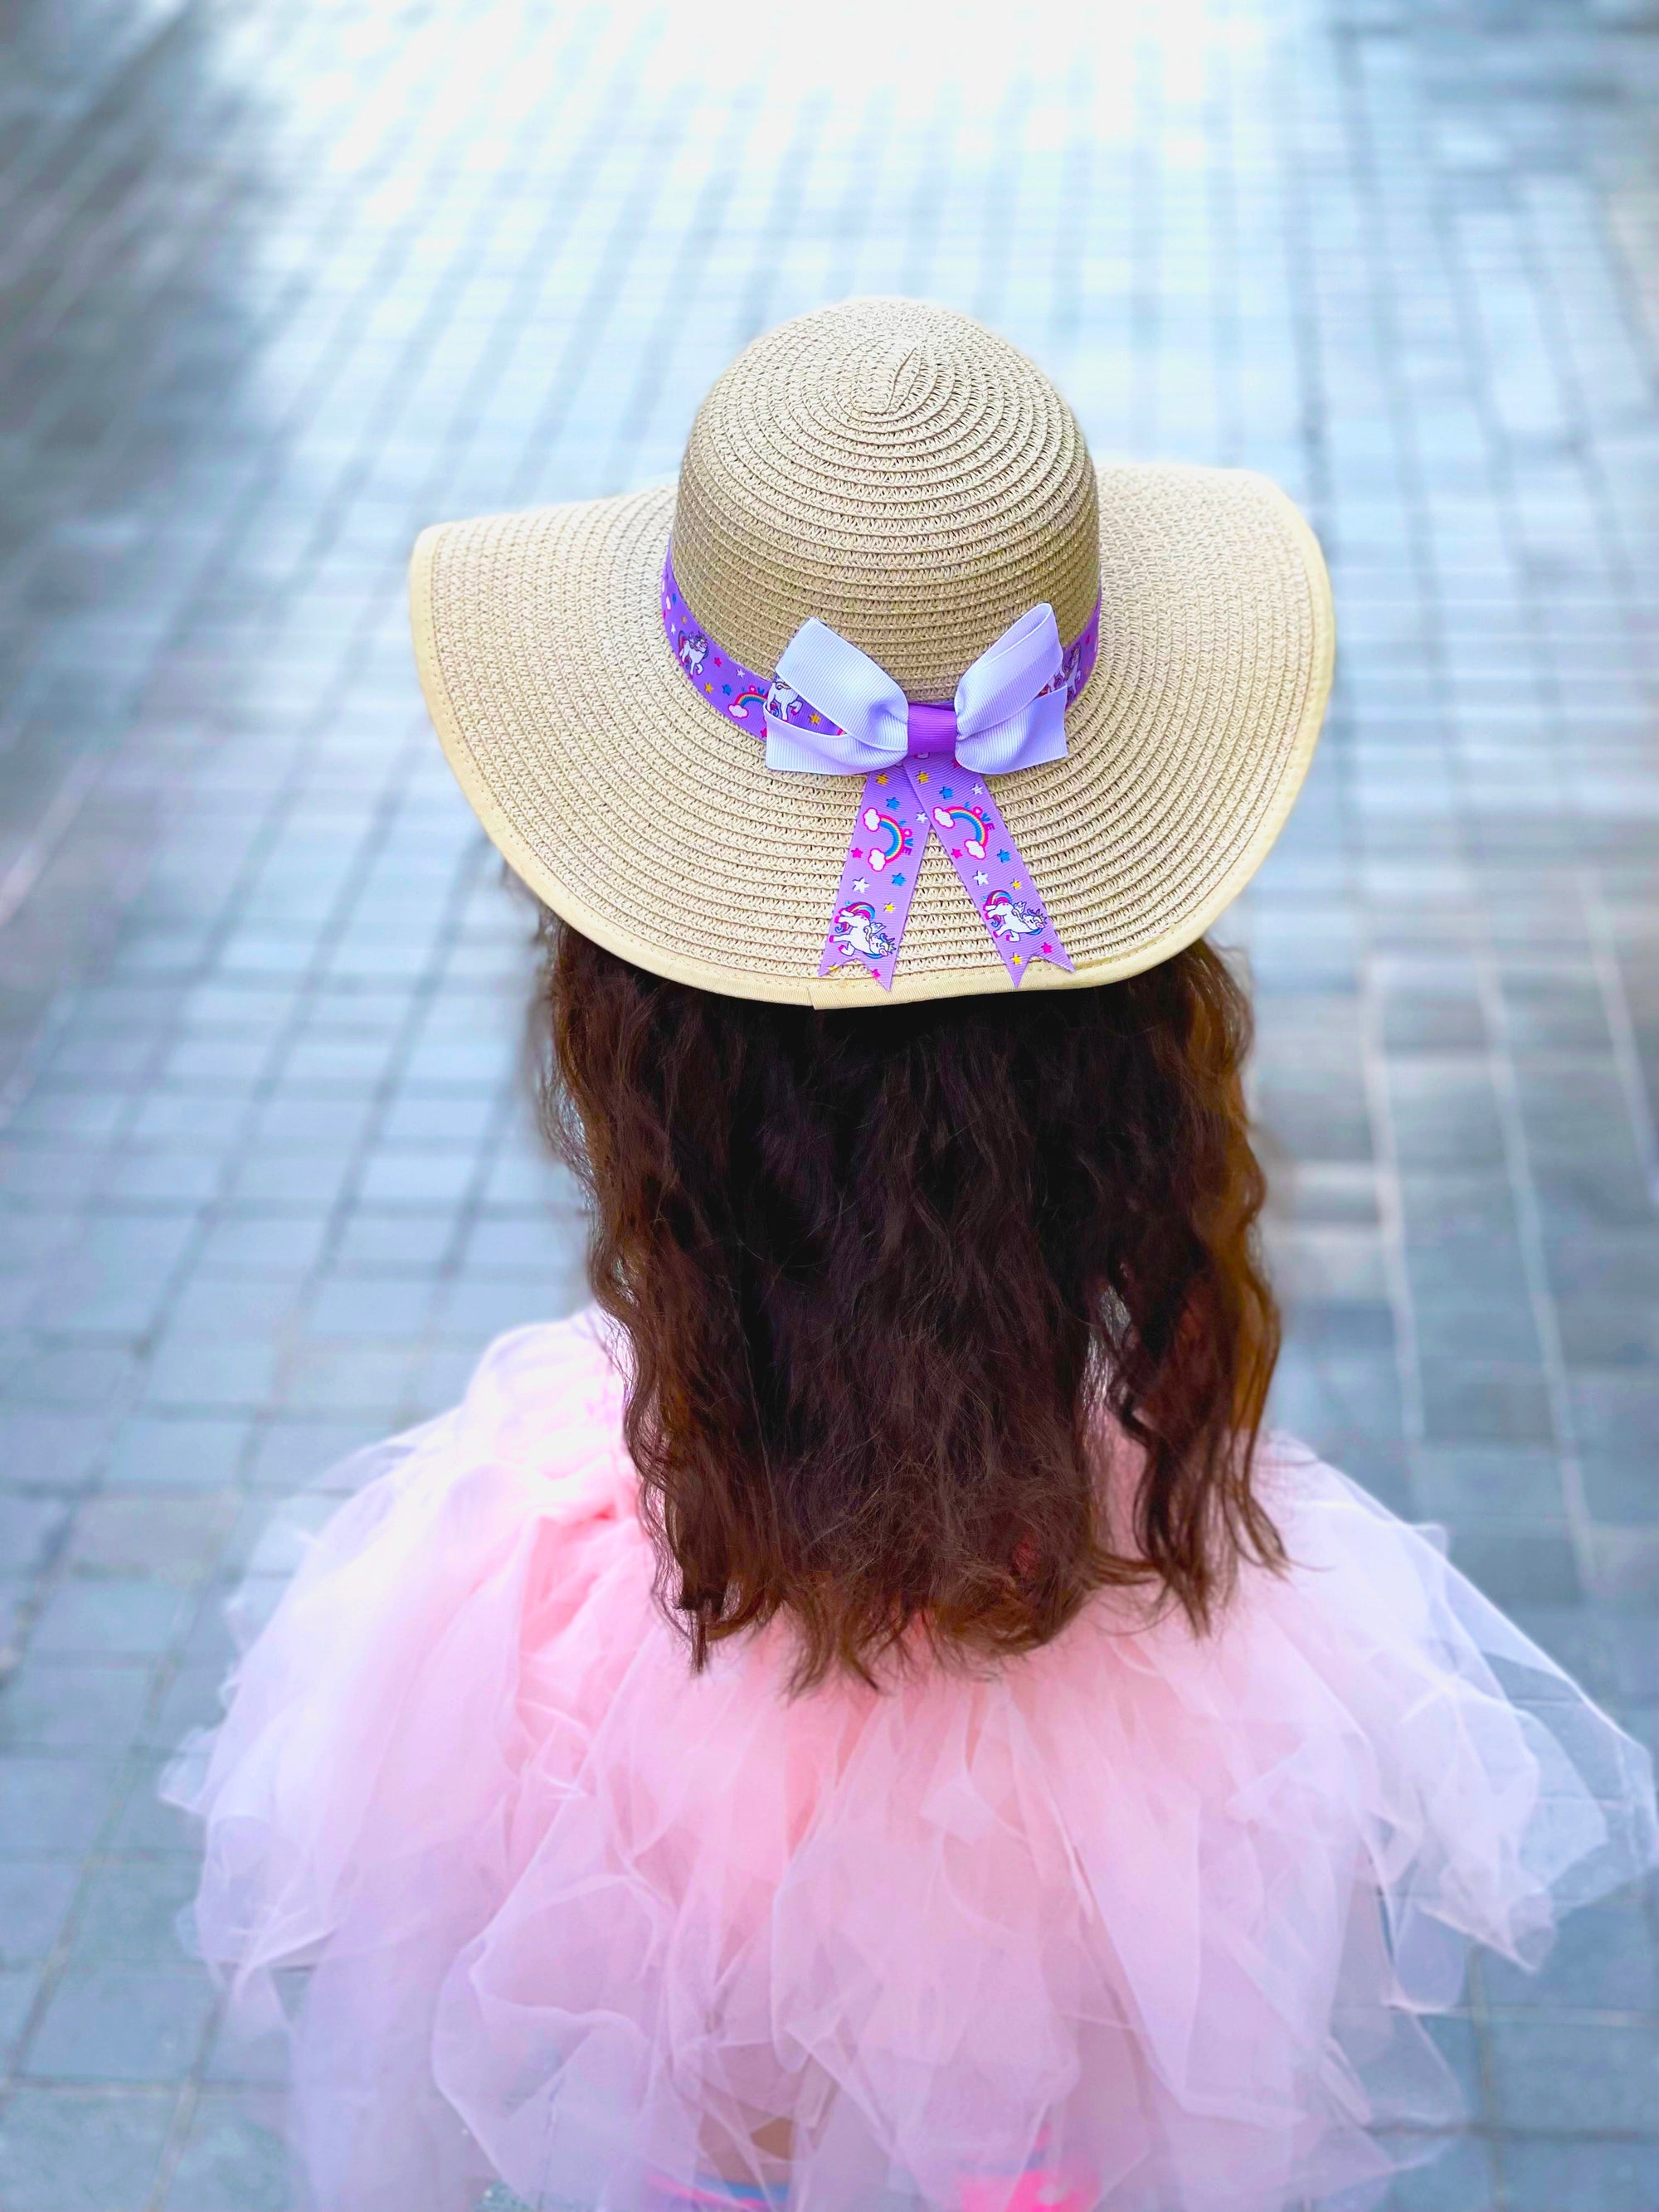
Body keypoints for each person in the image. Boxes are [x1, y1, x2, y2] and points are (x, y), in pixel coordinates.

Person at [168, 300, 1657, 2212]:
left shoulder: (505, 1653)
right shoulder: (1212, 1697)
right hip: (1077, 1654)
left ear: (640, 1022)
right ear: (1132, 1031)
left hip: (674, 1647)